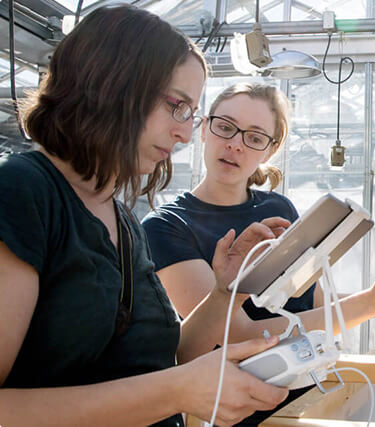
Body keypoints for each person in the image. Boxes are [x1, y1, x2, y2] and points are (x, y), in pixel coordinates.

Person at [0, 7, 290, 427]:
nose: (186, 132)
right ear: (111, 86)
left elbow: (162, 361)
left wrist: (227, 292)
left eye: (190, 114)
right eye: (177, 105)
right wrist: (176, 390)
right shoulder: (26, 193)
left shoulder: (121, 218)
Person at [142, 83, 375, 423]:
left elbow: (315, 302)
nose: (235, 144)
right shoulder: (165, 226)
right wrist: (372, 302)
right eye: (225, 127)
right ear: (203, 128)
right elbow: (242, 333)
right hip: (238, 409)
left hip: (310, 394)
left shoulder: (278, 207)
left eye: (255, 138)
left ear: (270, 151)